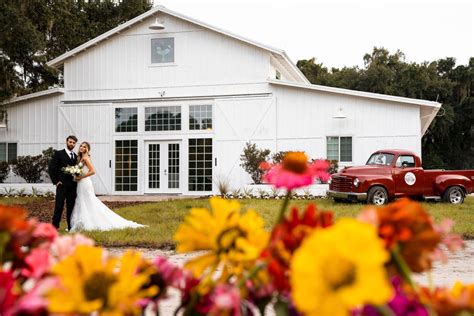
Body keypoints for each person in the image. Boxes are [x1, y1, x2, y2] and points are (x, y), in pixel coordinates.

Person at [70, 141, 144, 231]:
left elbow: (92, 171)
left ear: (87, 149)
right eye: (81, 146)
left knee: (88, 200)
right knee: (81, 200)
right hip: (80, 183)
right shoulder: (80, 158)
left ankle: (91, 222)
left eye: (84, 147)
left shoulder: (86, 158)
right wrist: (76, 175)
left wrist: (81, 177)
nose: (82, 147)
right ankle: (81, 222)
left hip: (85, 182)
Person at [48, 135, 78, 230]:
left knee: (71, 207)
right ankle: (55, 226)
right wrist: (56, 181)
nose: (72, 144)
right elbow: (52, 168)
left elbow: (77, 170)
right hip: (62, 185)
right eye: (70, 142)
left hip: (72, 186)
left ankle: (70, 226)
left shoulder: (76, 156)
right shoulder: (59, 153)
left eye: (73, 143)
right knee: (59, 206)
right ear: (66, 142)